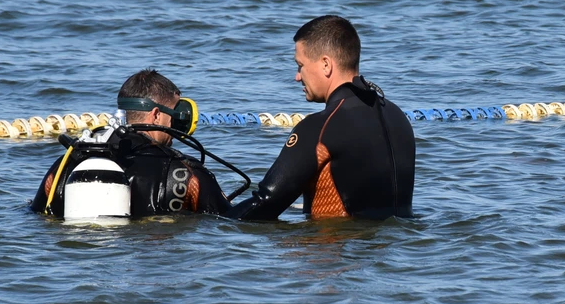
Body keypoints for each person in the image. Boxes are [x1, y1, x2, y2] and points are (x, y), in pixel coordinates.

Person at [227, 15, 415, 220]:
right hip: (397, 249)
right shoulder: (398, 117)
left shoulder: (320, 127)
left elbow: (263, 205)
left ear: (326, 64)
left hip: (337, 247)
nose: (297, 76)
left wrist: (211, 216)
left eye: (300, 65)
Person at [30, 69, 231, 218]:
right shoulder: (185, 173)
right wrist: (263, 196)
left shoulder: (68, 162)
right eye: (175, 115)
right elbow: (230, 222)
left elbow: (35, 216)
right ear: (156, 115)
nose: (176, 125)